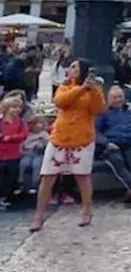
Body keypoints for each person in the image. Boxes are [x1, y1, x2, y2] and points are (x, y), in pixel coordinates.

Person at [29, 60, 105, 232]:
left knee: (82, 177)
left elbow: (98, 109)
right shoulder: (64, 85)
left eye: (74, 67)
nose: (69, 69)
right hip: (60, 137)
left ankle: (87, 211)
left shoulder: (95, 88)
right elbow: (60, 101)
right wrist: (81, 89)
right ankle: (39, 216)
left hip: (82, 139)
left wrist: (92, 90)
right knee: (47, 176)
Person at [94, 84, 131, 202]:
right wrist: (106, 143)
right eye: (115, 97)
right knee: (117, 160)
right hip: (112, 144)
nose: (118, 100)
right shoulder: (103, 114)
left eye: (120, 97)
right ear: (109, 100)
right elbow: (95, 132)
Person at [0, 91, 30, 208]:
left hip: (14, 154)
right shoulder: (1, 122)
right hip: (1, 154)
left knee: (11, 176)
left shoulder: (20, 122)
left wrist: (10, 138)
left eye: (18, 107)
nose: (16, 110)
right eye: (13, 107)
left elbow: (24, 135)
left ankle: (7, 196)